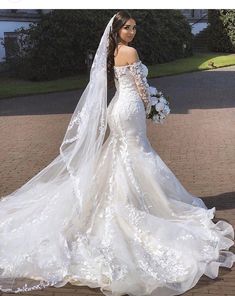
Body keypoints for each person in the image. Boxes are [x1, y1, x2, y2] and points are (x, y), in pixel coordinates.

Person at [0, 10, 234, 296]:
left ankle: (127, 199)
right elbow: (141, 87)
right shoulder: (131, 52)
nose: (132, 32)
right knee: (138, 153)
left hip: (116, 108)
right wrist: (153, 104)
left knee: (121, 153)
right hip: (131, 108)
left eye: (134, 28)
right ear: (118, 30)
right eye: (127, 28)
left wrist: (148, 101)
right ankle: (143, 204)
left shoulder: (110, 53)